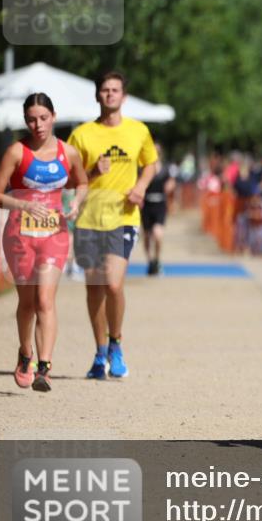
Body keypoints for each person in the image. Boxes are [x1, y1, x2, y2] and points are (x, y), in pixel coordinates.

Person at [0, 93, 88, 391]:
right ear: (25, 121)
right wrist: (23, 204)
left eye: (44, 118)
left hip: (54, 235)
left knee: (45, 299)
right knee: (28, 302)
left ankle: (44, 367)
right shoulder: (16, 152)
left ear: (53, 117)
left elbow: (82, 182)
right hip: (20, 236)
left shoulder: (68, 152)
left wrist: (76, 202)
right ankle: (25, 353)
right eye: (32, 120)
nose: (38, 125)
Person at [68, 71, 159, 380]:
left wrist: (141, 186)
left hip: (123, 217)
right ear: (97, 95)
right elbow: (69, 178)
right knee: (94, 288)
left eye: (115, 90)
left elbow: (151, 163)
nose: (110, 94)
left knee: (113, 283)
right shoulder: (82, 135)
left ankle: (116, 344)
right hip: (89, 219)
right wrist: (92, 172)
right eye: (105, 90)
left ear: (124, 96)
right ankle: (99, 352)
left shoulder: (138, 130)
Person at [140, 144, 177, 276]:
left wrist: (170, 186)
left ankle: (157, 259)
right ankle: (150, 261)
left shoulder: (166, 168)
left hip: (160, 204)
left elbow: (172, 181)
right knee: (146, 236)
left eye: (157, 152)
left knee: (158, 234)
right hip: (146, 205)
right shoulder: (143, 168)